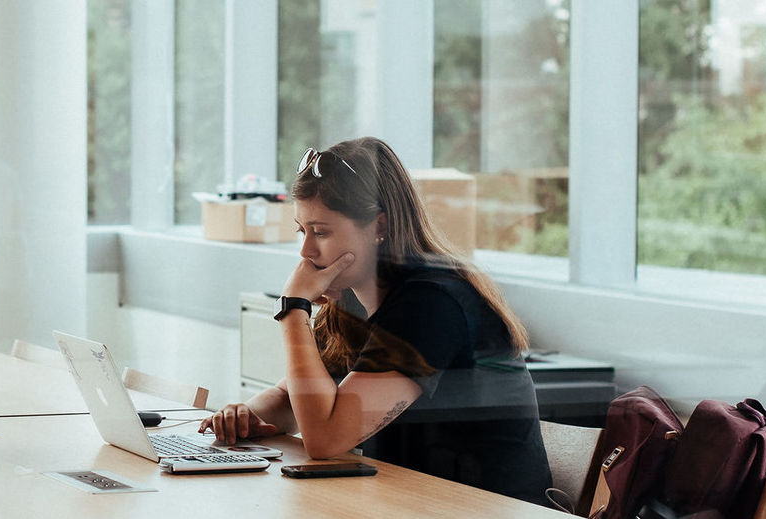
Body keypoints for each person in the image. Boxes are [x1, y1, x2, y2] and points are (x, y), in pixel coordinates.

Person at [198, 137, 551, 505]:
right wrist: (246, 415)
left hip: (482, 510)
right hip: (413, 503)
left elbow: (325, 438)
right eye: (302, 231)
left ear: (379, 225)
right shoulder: (348, 300)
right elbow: (292, 400)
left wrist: (293, 309)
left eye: (321, 232)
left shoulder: (432, 303)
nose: (305, 251)